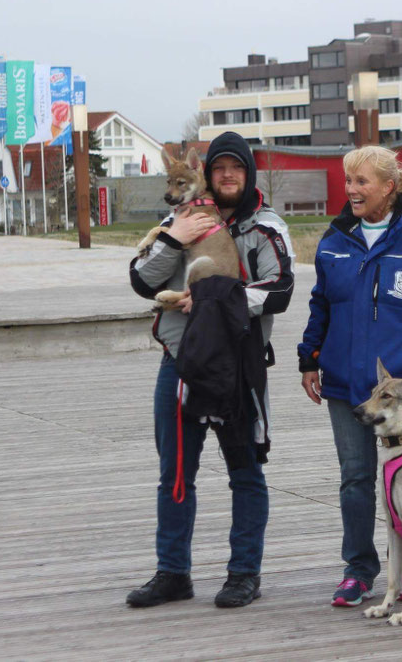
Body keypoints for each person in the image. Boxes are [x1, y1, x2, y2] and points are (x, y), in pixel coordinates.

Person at [126, 132, 295, 608]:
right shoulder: (180, 218)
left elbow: (280, 290)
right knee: (175, 472)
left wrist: (212, 299)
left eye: (235, 169)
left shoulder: (265, 227)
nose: (226, 176)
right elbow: (141, 280)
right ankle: (172, 572)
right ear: (206, 173)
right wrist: (171, 239)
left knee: (245, 472)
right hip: (180, 362)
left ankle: (244, 574)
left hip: (238, 366)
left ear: (248, 174)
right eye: (219, 168)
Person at [298, 146, 402, 607]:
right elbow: (321, 304)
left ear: (389, 187)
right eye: (348, 181)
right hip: (346, 383)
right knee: (355, 478)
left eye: (361, 181)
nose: (351, 190)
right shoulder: (334, 239)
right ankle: (358, 569)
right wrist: (309, 357)